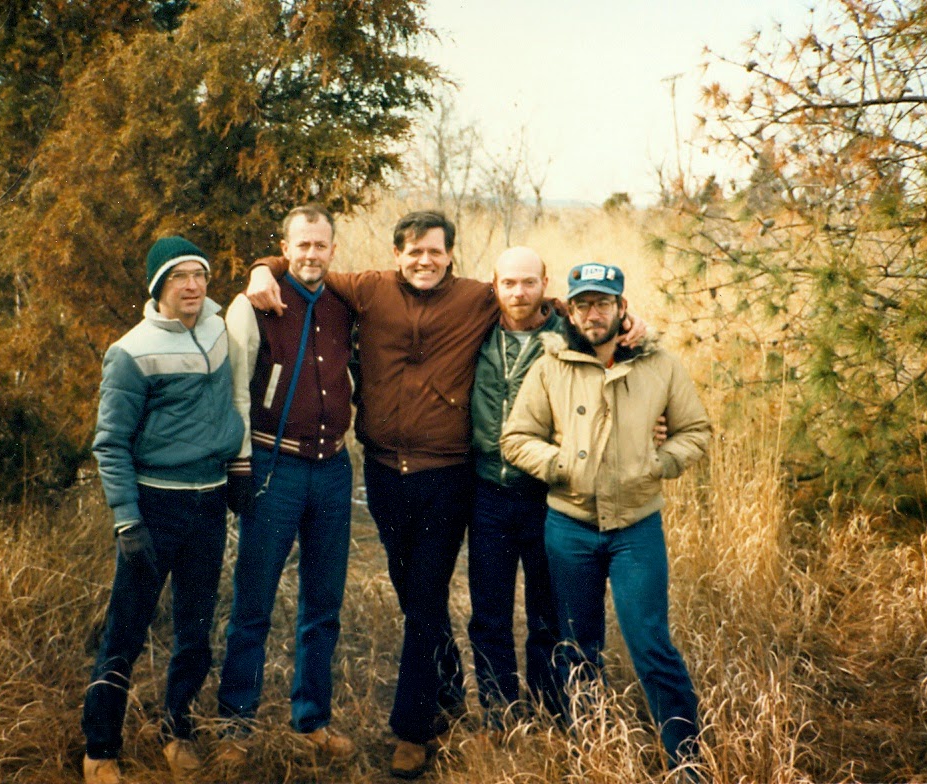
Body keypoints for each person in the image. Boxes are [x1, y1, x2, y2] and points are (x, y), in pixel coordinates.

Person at [247, 216, 646, 778]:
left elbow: (540, 303)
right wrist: (263, 268)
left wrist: (628, 321)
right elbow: (309, 264)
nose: (424, 261)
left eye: (435, 252)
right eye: (414, 252)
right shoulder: (370, 288)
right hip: (385, 473)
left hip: (448, 475)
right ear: (397, 254)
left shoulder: (477, 298)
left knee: (428, 597)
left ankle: (413, 728)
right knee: (413, 595)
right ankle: (450, 690)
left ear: (451, 256)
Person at [501, 262, 710, 773]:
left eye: (602, 303)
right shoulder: (552, 366)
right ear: (570, 312)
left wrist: (658, 463)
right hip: (569, 527)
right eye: (583, 305)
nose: (593, 314)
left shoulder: (659, 365)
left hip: (636, 527)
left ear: (621, 307)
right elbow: (516, 437)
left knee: (650, 643)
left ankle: (687, 760)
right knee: (577, 647)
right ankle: (594, 752)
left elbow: (696, 431)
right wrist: (559, 466)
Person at [82, 236, 246, 784]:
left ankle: (178, 731)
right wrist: (127, 519)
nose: (193, 286)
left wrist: (236, 472)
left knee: (195, 630)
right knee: (125, 631)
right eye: (180, 277)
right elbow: (110, 444)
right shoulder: (131, 352)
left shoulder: (219, 329)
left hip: (210, 502)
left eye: (200, 275)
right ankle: (100, 748)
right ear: (158, 286)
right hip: (155, 506)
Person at [215, 204, 356, 763]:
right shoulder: (257, 303)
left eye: (321, 245)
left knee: (323, 605)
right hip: (276, 467)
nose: (312, 254)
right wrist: (240, 465)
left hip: (334, 470)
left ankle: (312, 720)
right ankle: (235, 725)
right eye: (302, 245)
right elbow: (235, 390)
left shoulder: (346, 304)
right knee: (254, 602)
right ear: (285, 248)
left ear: (333, 249)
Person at [467, 247, 564, 732]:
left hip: (547, 493)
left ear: (545, 283)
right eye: (508, 283)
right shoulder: (475, 330)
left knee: (548, 611)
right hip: (487, 490)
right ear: (494, 285)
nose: (519, 292)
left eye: (529, 282)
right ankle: (499, 713)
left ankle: (551, 709)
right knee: (490, 611)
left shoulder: (568, 337)